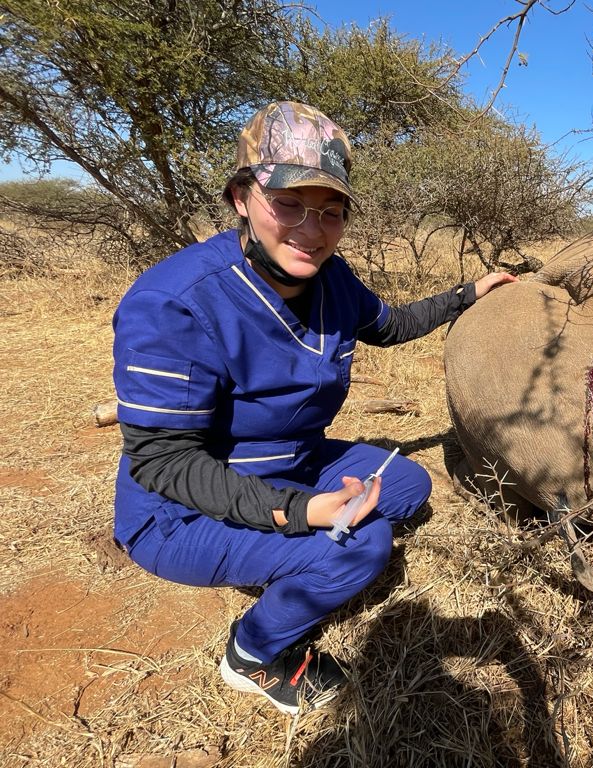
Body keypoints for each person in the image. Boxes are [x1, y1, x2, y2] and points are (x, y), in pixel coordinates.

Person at [111, 101, 516, 716]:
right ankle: (251, 656)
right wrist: (297, 513)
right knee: (364, 544)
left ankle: (295, 553)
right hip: (183, 511)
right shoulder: (175, 301)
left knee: (405, 482)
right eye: (290, 204)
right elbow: (163, 463)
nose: (311, 228)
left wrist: (469, 293)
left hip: (292, 463)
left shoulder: (332, 278)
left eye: (331, 211)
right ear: (243, 198)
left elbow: (391, 324)